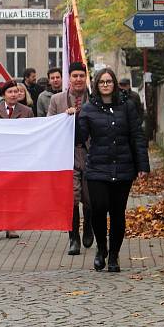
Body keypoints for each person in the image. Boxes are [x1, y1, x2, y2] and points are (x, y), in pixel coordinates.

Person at [77, 68, 150, 273]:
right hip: (98, 168)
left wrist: (142, 165)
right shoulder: (89, 108)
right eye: (102, 82)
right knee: (99, 209)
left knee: (118, 213)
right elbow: (79, 138)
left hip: (123, 167)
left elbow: (137, 136)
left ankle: (114, 255)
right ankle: (102, 249)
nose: (106, 85)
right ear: (97, 85)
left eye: (109, 81)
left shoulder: (126, 106)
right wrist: (72, 119)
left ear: (115, 84)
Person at [48, 62, 93, 256]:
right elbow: (49, 124)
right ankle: (73, 237)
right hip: (68, 154)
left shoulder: (95, 99)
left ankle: (89, 227)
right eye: (74, 76)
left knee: (90, 197)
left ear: (86, 77)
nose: (78, 79)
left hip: (91, 153)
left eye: (81, 76)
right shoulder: (57, 100)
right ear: (69, 78)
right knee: (72, 198)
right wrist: (64, 119)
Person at [0, 80, 34, 242]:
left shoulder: (27, 111)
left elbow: (32, 133)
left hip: (18, 159)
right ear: (3, 95)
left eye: (16, 91)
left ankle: (11, 226)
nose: (13, 94)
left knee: (14, 193)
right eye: (10, 92)